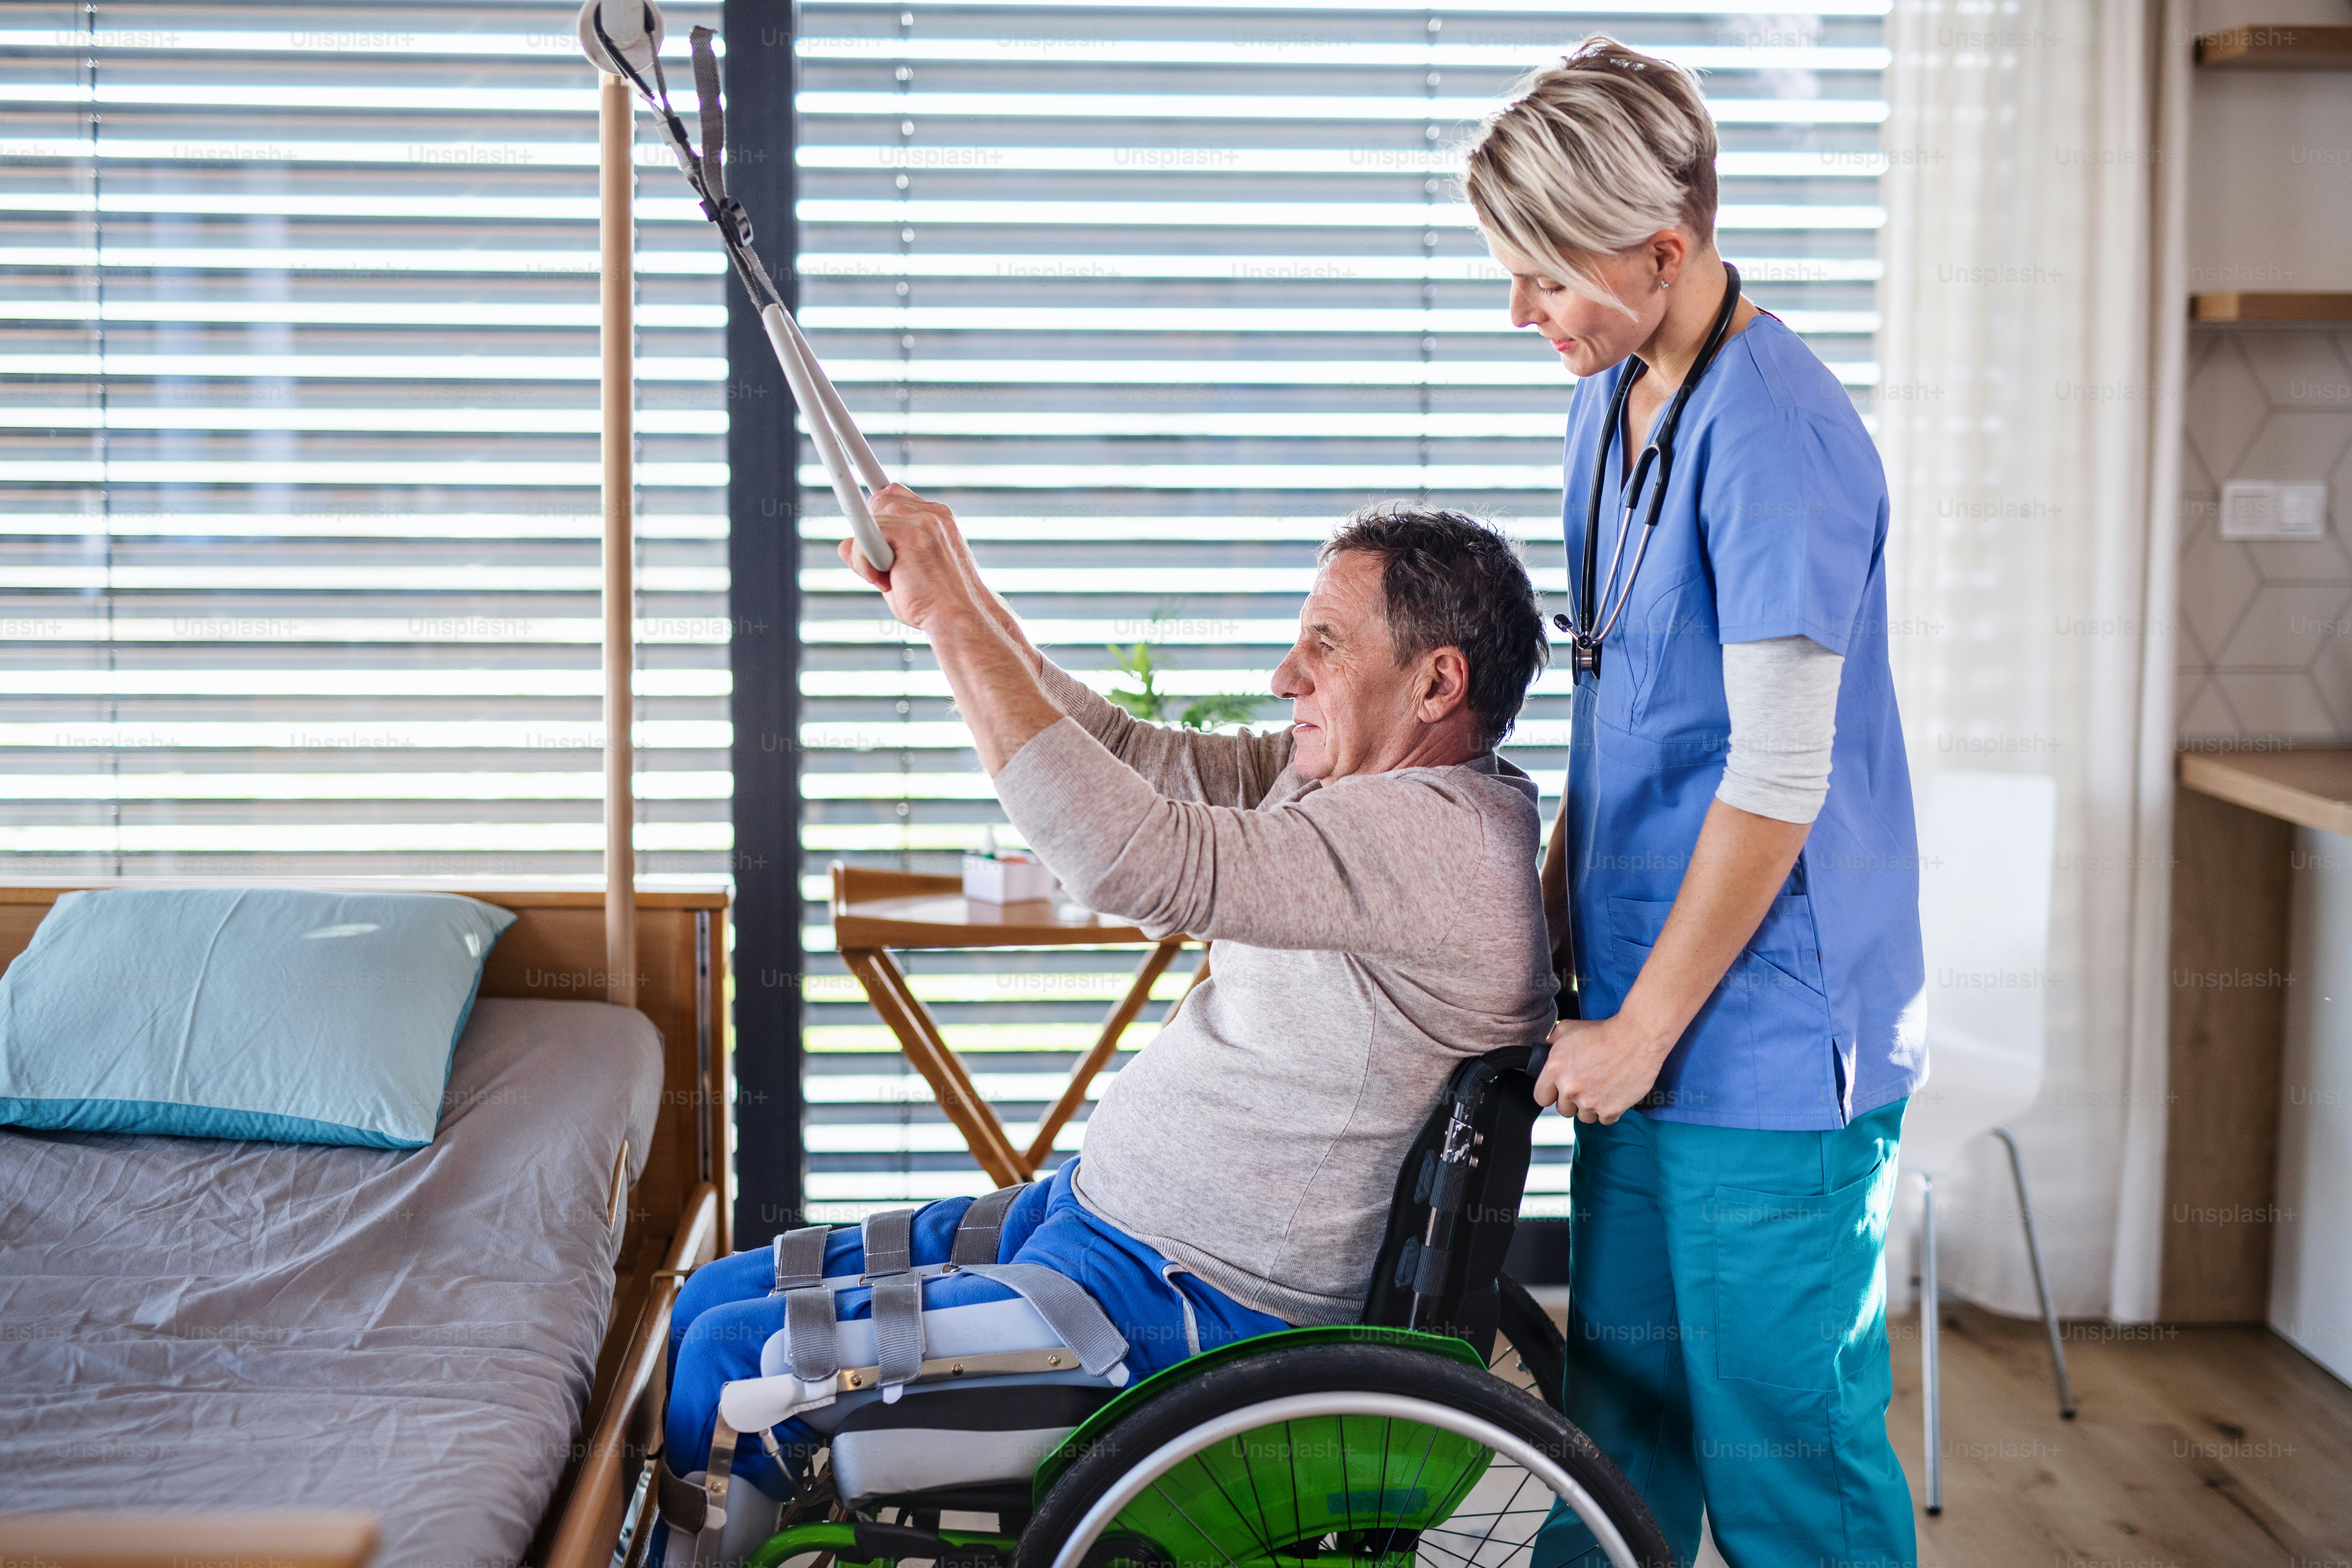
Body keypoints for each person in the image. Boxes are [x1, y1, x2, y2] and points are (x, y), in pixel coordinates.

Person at [655, 501, 1556, 1532]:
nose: (1286, 675)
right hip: (1097, 1221)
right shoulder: (1348, 779)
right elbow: (1128, 755)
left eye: (1325, 644)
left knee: (733, 1363)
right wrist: (957, 595)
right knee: (704, 1301)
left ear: (1438, 681)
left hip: (1187, 1307)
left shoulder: (1432, 844)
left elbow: (1135, 859)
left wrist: (953, 614)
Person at [1462, 36, 1927, 1568]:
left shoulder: (1777, 437)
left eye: (1543, 276)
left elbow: (1775, 777)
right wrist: (1535, 943)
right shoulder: (1615, 397)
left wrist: (1642, 1027)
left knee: (1787, 1459)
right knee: (1615, 1446)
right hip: (1640, 1008)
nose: (1518, 310)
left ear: (1660, 251)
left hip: (1762, 1040)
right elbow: (1624, 715)